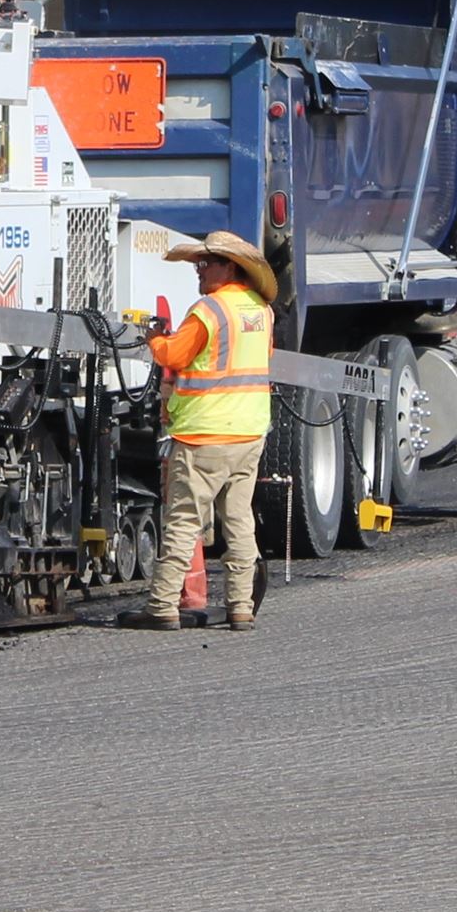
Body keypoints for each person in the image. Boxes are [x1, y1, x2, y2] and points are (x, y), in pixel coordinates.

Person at [120, 231, 277, 634]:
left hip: (205, 434)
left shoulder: (209, 310)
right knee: (239, 522)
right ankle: (241, 608)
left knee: (183, 521)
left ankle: (162, 606)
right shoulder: (261, 310)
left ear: (230, 267)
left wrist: (154, 339)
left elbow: (174, 355)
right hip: (249, 432)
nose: (199, 270)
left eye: (206, 264)